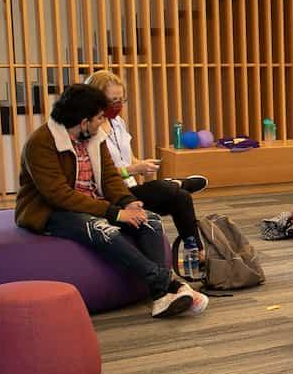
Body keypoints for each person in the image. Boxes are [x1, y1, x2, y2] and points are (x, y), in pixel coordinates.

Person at [14, 84, 205, 319]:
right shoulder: (41, 142)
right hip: (50, 210)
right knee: (103, 230)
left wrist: (127, 201)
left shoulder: (95, 137)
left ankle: (160, 297)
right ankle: (170, 285)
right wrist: (114, 213)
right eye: (99, 118)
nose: (103, 122)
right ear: (84, 121)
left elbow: (110, 176)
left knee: (150, 221)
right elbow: (58, 195)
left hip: (92, 201)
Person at [85, 71, 209, 250]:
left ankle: (197, 252)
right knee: (167, 189)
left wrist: (143, 165)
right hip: (112, 197)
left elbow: (128, 158)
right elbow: (98, 174)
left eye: (121, 99)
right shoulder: (90, 129)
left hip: (132, 190)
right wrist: (133, 170)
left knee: (181, 197)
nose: (118, 105)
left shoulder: (118, 122)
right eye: (113, 100)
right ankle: (176, 184)